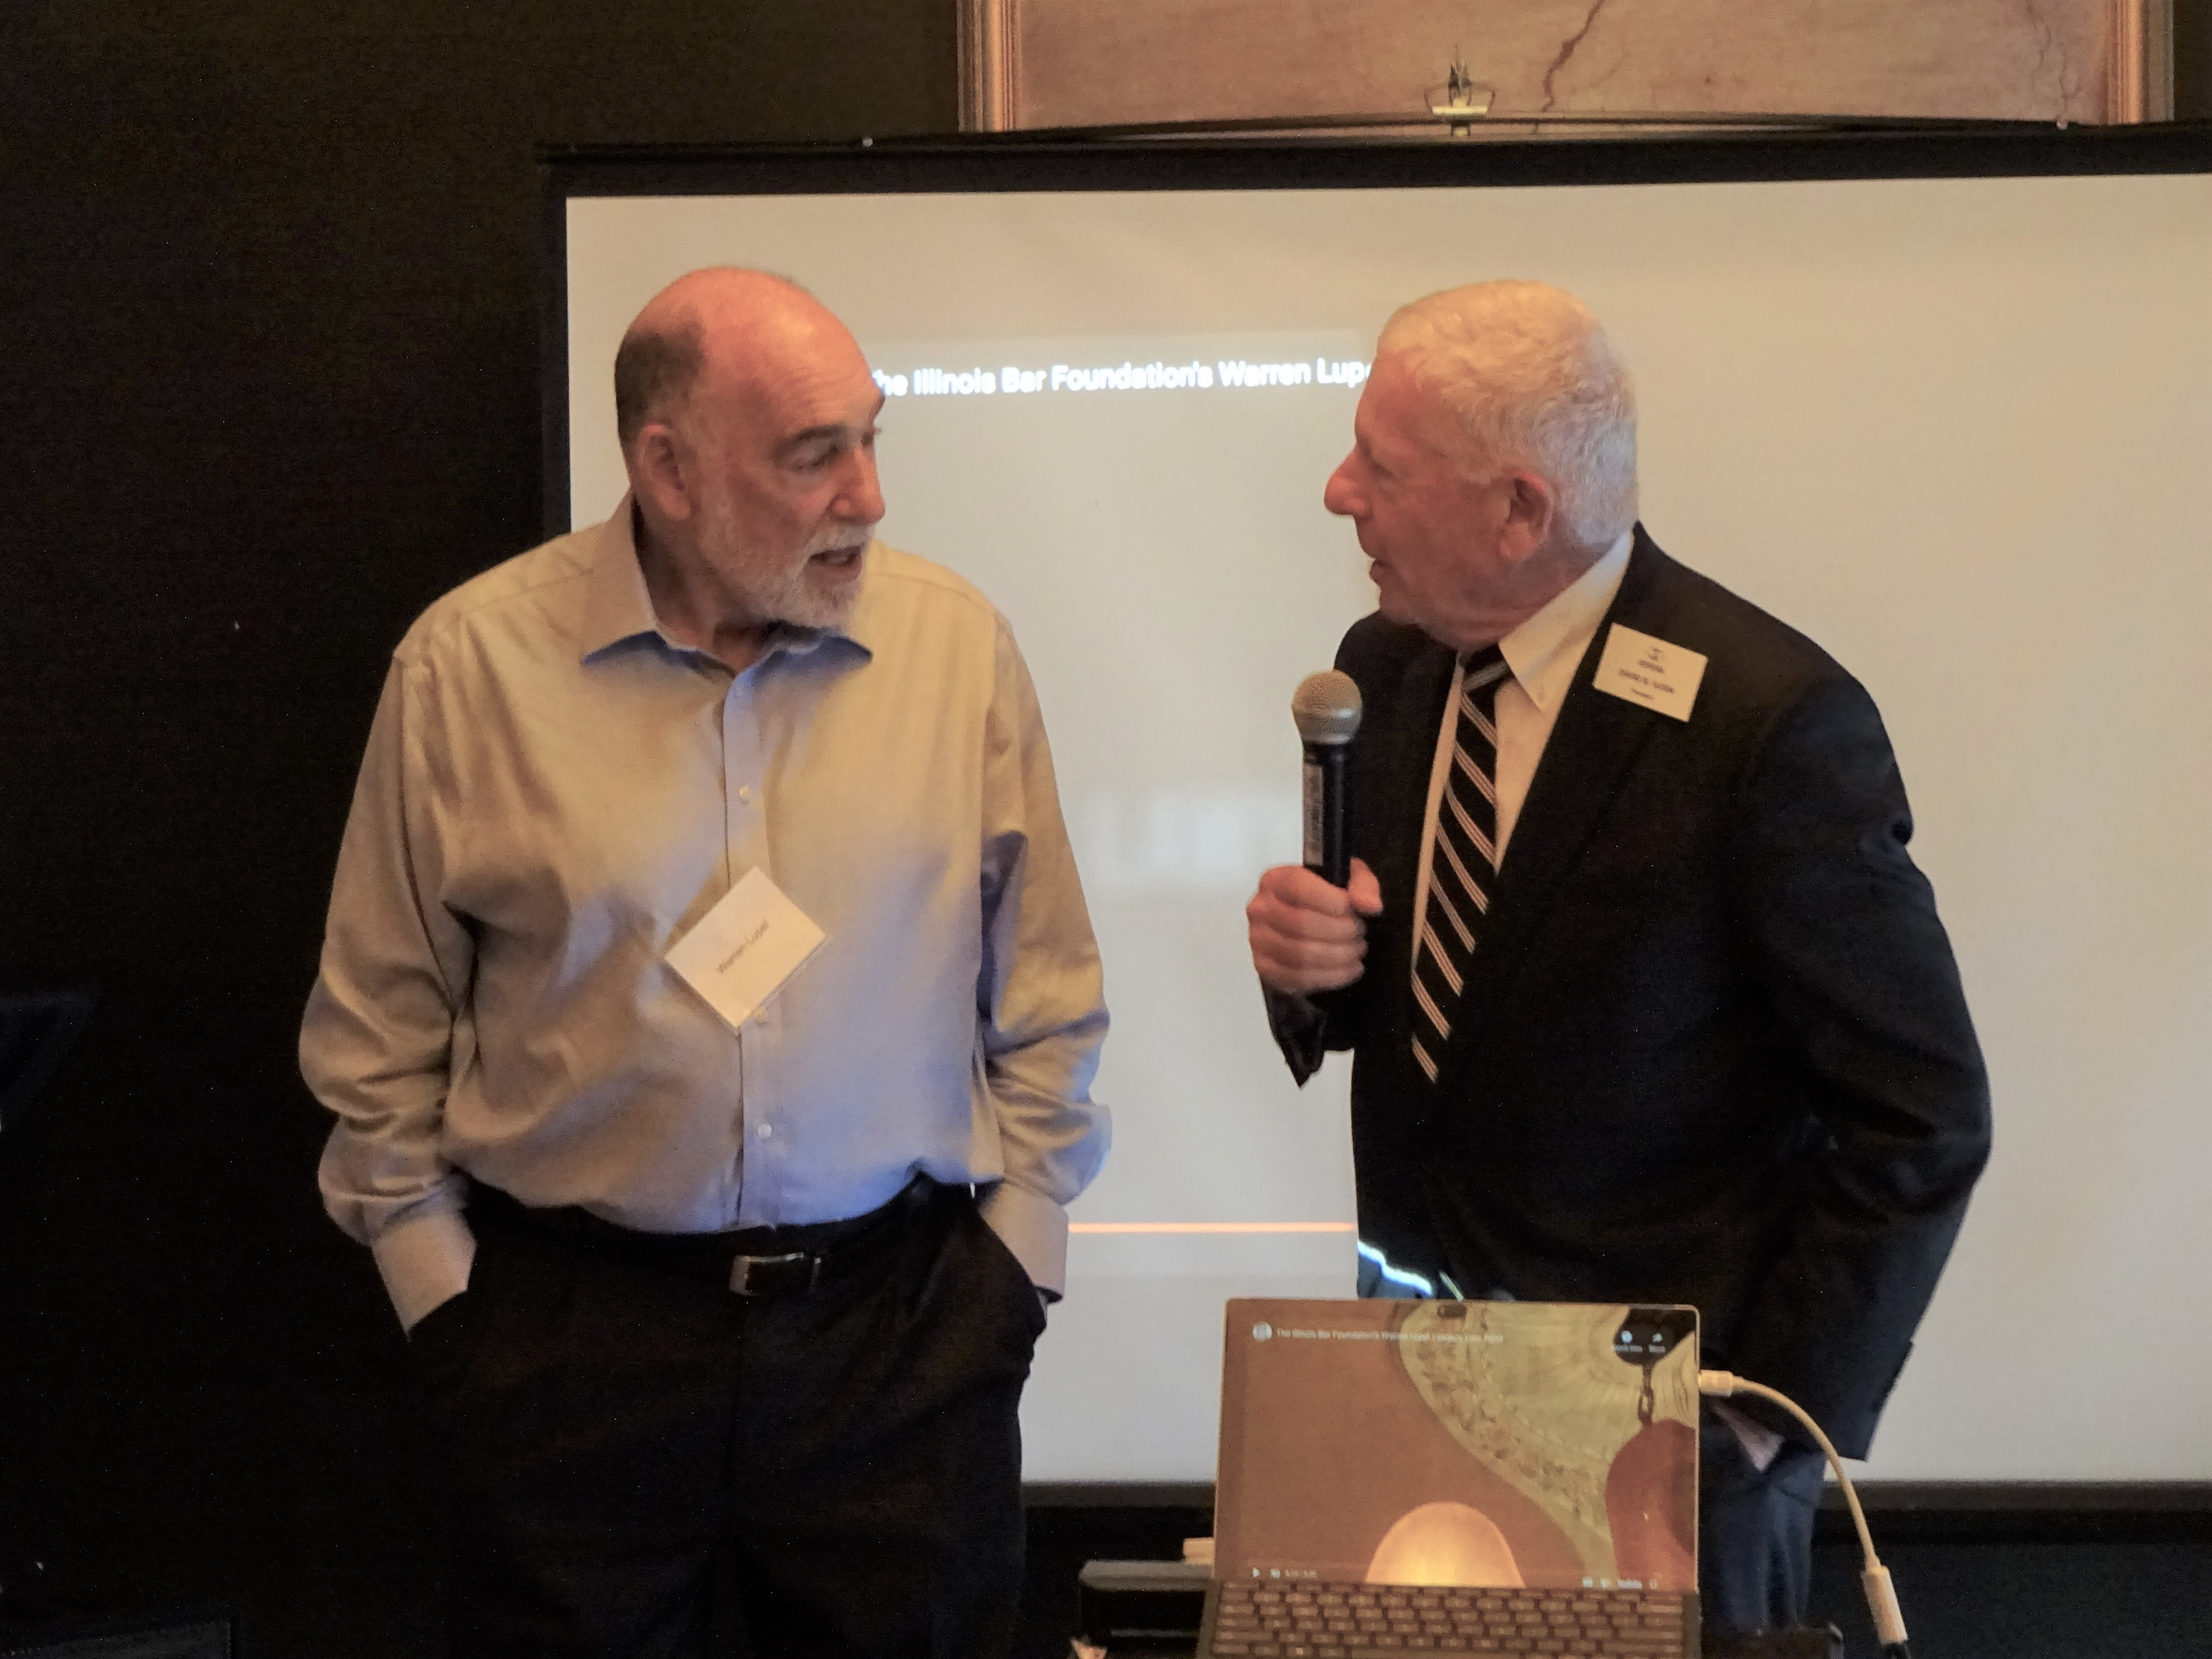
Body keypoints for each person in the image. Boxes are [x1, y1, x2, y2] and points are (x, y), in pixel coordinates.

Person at [300, 267, 1110, 1658]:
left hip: (897, 1347)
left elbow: (1047, 993)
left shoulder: (956, 649)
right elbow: (378, 1028)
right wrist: (455, 1318)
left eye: (870, 439)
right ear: (667, 471)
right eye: (814, 455)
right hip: (574, 1355)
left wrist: (1010, 1278)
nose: (868, 496)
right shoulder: (467, 670)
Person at [1244, 280, 1990, 1636]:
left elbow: (1922, 1113)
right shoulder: (1386, 669)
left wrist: (1763, 1425)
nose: (1340, 493)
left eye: (1382, 467)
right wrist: (1310, 969)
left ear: (1519, 511)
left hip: (1665, 1463)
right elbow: (1427, 1014)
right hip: (1412, 1403)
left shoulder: (1768, 723)